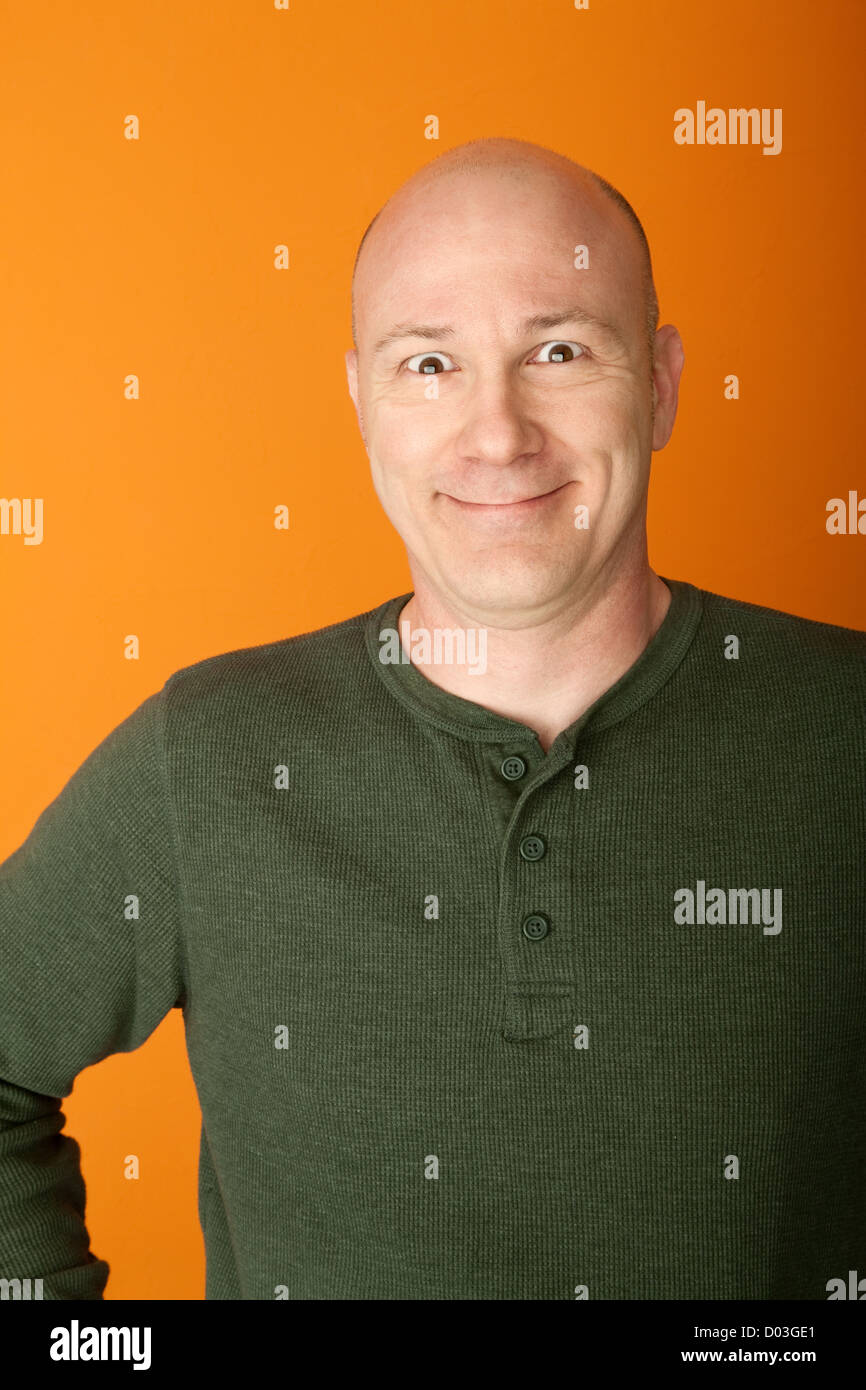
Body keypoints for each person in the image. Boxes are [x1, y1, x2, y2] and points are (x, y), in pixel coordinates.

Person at [1, 137, 864, 1301]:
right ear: (360, 401)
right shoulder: (210, 751)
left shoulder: (841, 730)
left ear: (658, 384)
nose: (497, 433)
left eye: (558, 349)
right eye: (428, 364)